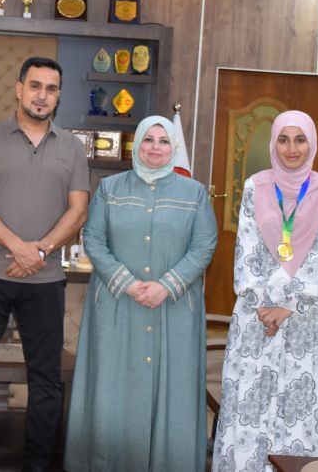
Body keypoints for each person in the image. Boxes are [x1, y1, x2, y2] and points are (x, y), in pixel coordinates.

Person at [0, 57, 90, 472]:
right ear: (19, 89)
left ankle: (37, 465)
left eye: (51, 88)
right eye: (35, 86)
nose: (42, 95)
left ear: (59, 96)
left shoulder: (72, 147)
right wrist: (19, 247)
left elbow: (78, 211)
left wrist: (41, 252)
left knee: (45, 379)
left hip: (45, 279)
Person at [64, 115, 217, 472]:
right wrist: (128, 283)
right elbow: (94, 240)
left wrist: (167, 285)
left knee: (172, 391)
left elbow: (204, 246)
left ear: (173, 147)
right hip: (118, 304)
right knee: (112, 387)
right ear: (137, 145)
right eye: (149, 139)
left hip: (173, 308)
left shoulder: (194, 193)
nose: (155, 148)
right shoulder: (110, 188)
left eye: (163, 141)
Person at [212, 111, 318, 471]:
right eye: (283, 139)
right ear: (274, 143)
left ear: (311, 143)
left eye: (300, 140)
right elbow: (247, 248)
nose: (291, 148)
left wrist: (290, 304)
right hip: (257, 315)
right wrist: (263, 302)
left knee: (301, 407)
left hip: (307, 316)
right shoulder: (256, 186)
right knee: (252, 402)